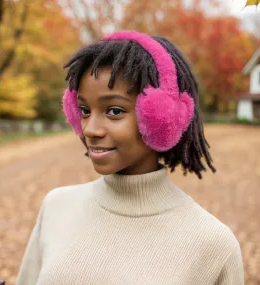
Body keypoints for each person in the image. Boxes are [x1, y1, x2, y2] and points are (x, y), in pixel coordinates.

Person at [15, 31, 244, 285]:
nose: (90, 129)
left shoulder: (214, 246)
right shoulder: (56, 207)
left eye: (114, 111)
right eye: (84, 110)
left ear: (161, 118)